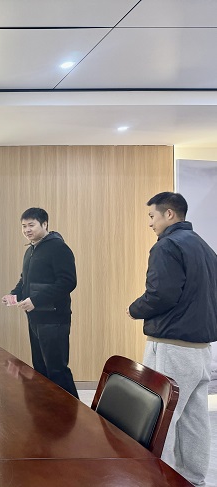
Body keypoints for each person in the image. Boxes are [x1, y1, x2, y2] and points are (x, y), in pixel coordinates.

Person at [128, 192, 217, 487]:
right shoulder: (204, 247)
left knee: (159, 416)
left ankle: (154, 479)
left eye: (152, 216)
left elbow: (161, 295)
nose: (150, 223)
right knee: (195, 418)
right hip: (201, 349)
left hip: (172, 346)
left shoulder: (167, 246)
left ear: (169, 214)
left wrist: (134, 309)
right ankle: (193, 480)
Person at [1, 207, 79, 398]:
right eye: (23, 226)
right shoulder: (30, 250)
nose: (27, 230)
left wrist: (35, 300)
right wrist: (13, 295)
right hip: (35, 318)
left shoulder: (58, 248)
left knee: (57, 370)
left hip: (54, 319)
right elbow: (25, 281)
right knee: (40, 369)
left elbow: (68, 282)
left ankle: (73, 411)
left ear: (44, 224)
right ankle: (49, 410)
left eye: (31, 225)